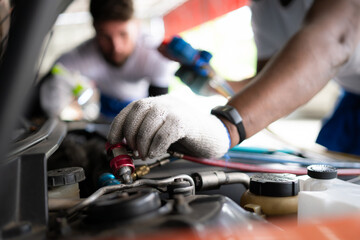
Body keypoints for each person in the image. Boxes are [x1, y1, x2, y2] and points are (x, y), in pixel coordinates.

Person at [107, 0, 360, 159]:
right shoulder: (264, 7)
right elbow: (269, 82)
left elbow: (334, 40)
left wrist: (225, 128)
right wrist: (215, 83)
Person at [40, 0, 174, 120]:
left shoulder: (155, 54)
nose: (116, 47)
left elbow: (159, 112)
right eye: (106, 37)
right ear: (95, 29)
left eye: (123, 34)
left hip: (140, 110)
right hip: (103, 115)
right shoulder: (81, 55)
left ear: (136, 25)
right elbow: (53, 75)